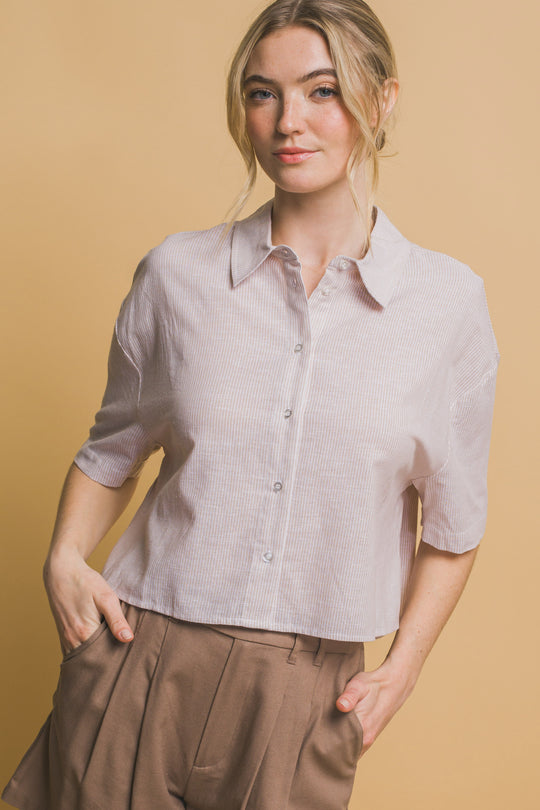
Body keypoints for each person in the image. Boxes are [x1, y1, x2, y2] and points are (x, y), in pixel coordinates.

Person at [3, 1, 500, 808]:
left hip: (308, 694)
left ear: (381, 100)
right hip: (139, 655)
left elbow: (454, 524)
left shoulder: (447, 306)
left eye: (322, 91)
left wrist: (403, 667)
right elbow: (112, 450)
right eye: (263, 93)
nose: (288, 121)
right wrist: (63, 559)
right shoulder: (178, 275)